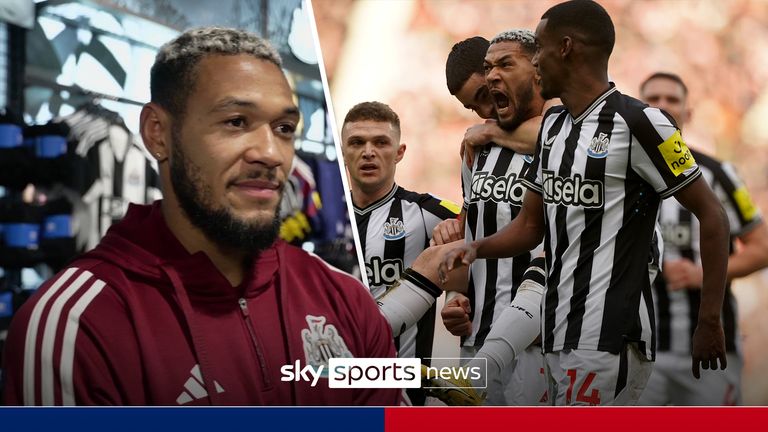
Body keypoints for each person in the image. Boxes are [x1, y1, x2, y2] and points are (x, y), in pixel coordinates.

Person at [1, 27, 401, 406]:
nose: (271, 153)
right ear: (158, 133)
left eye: (283, 128)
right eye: (235, 122)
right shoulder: (76, 326)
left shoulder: (345, 299)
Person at [440, 0, 730, 406]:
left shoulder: (642, 122)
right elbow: (530, 226)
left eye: (537, 50)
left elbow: (713, 214)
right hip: (557, 334)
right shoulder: (554, 131)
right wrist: (473, 248)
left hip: (610, 336)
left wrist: (710, 320)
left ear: (566, 48)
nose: (534, 61)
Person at [427, 31, 551, 406]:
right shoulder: (475, 149)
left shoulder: (560, 134)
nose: (484, 111)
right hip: (477, 338)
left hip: (537, 345)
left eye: (485, 96)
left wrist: (493, 130)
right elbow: (473, 227)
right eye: (473, 107)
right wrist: (455, 298)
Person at [637, 72, 768, 405]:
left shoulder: (720, 173)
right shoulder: (621, 174)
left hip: (710, 351)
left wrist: (702, 274)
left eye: (672, 100)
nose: (662, 106)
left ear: (688, 113)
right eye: (652, 99)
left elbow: (762, 248)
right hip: (640, 350)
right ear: (639, 110)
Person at [341, 101, 459, 405]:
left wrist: (458, 296)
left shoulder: (430, 213)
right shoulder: (326, 217)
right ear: (343, 151)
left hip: (406, 395)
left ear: (399, 152)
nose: (368, 151)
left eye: (380, 142)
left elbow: (494, 233)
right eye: (357, 142)